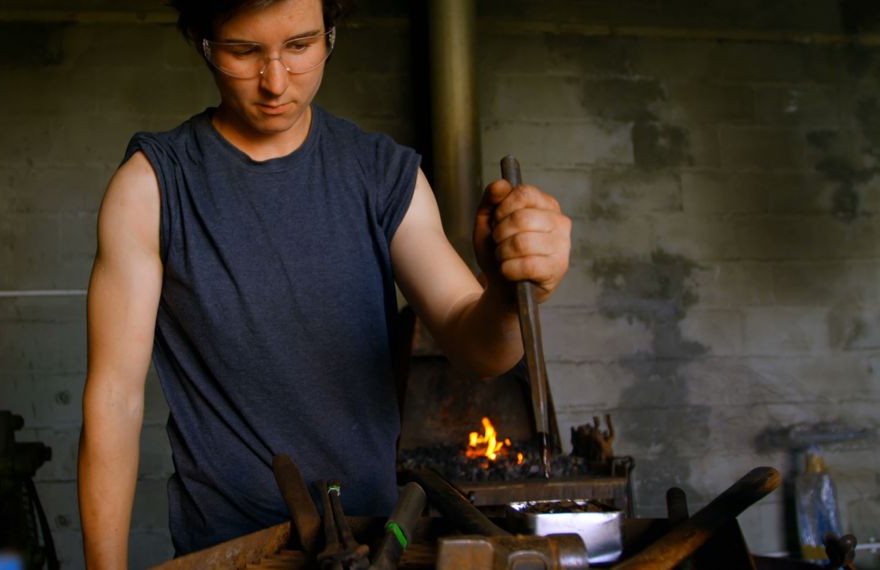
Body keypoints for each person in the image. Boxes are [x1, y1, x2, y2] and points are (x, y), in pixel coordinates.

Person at [78, 0, 572, 565]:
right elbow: (114, 402)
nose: (276, 82)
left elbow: (478, 346)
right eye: (244, 52)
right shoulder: (151, 188)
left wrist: (508, 297)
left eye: (300, 46)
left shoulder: (383, 174)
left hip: (374, 544)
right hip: (225, 552)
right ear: (203, 44)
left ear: (329, 33)